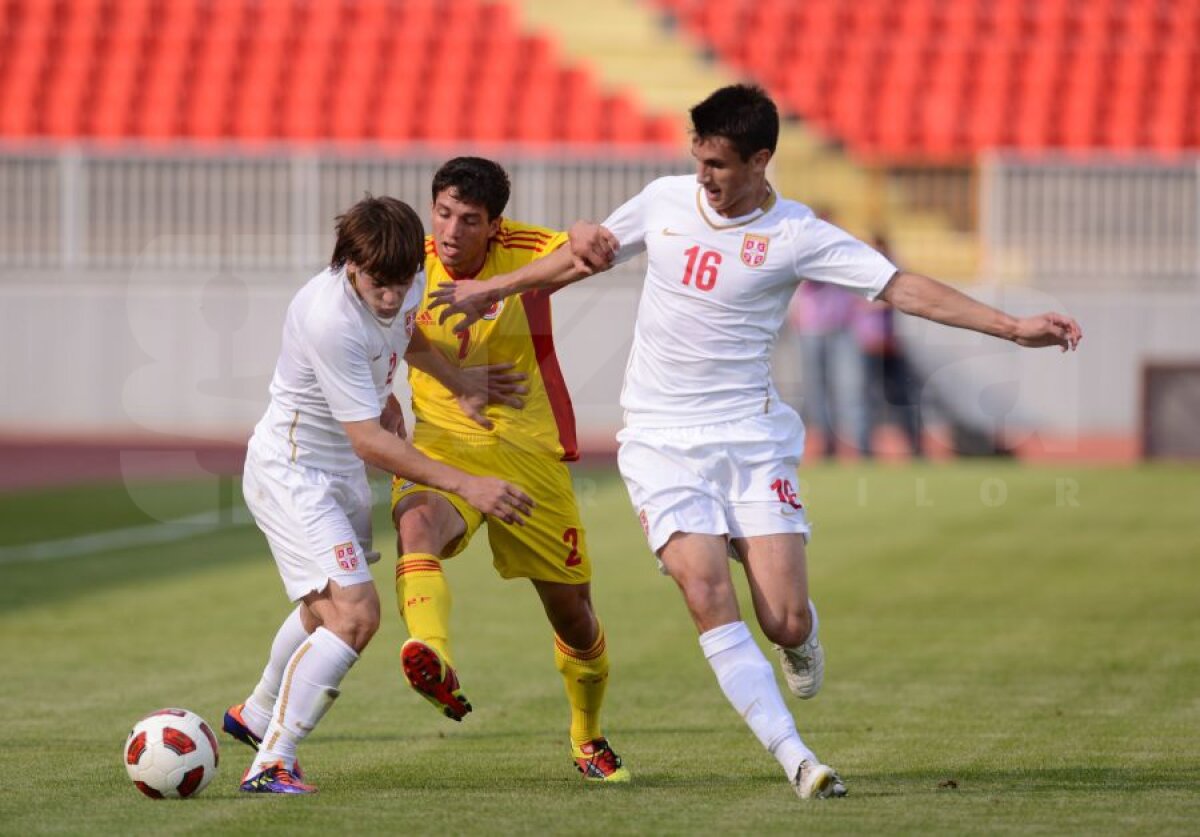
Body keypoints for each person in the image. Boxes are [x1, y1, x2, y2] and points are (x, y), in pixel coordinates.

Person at [429, 85, 1082, 800]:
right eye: (697, 157)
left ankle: (797, 631)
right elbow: (582, 258)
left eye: (717, 163)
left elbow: (900, 289)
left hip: (750, 440)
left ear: (761, 160)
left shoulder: (799, 234)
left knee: (784, 617)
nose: (703, 175)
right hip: (661, 438)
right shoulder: (665, 200)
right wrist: (495, 291)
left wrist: (1013, 327)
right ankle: (797, 757)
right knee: (706, 590)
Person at [222, 194, 534, 794]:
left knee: (322, 610)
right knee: (356, 616)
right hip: (295, 473)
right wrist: (468, 483)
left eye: (400, 283)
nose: (390, 296)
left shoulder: (405, 279)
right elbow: (370, 441)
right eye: (377, 285)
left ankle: (255, 715)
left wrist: (460, 381)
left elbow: (405, 336)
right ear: (348, 264)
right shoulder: (328, 316)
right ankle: (272, 762)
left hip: (336, 473)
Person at [389, 157, 629, 782]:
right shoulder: (409, 259)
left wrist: (572, 232)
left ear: (494, 225)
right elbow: (370, 324)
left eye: (469, 220)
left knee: (574, 617)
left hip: (528, 453)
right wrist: (402, 394)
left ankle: (588, 735)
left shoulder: (520, 248)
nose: (451, 230)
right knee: (416, 527)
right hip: (444, 444)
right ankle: (431, 655)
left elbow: (589, 249)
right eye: (443, 213)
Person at [787, 210, 869, 459]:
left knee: (850, 388)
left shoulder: (843, 251)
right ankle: (823, 443)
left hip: (842, 326)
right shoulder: (800, 250)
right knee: (816, 390)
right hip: (811, 327)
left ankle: (852, 445)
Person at [853, 233, 924, 458]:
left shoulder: (890, 273)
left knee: (901, 396)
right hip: (868, 344)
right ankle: (865, 447)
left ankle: (914, 445)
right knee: (868, 398)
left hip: (889, 344)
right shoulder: (857, 273)